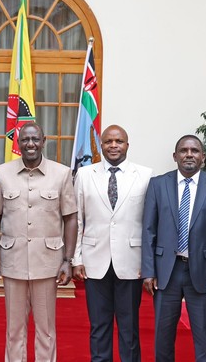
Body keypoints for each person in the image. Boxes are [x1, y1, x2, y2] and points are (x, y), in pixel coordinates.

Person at [0, 122, 78, 362]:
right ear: (18, 143)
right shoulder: (1, 173)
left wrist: (68, 260)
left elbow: (71, 218)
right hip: (13, 261)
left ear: (44, 141)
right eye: (25, 139)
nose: (30, 144)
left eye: (35, 139)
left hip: (47, 262)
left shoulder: (62, 174)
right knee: (14, 330)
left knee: (46, 330)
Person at [141, 135, 206, 361]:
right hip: (165, 273)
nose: (189, 154)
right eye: (183, 150)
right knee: (163, 336)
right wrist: (149, 270)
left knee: (204, 338)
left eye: (194, 150)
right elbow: (149, 230)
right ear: (175, 156)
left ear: (203, 157)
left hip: (203, 273)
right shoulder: (158, 185)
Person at [72, 125, 152, 362]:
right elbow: (77, 219)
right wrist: (76, 258)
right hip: (94, 261)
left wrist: (148, 263)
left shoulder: (145, 175)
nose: (113, 145)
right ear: (101, 145)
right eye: (108, 141)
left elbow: (151, 224)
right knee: (99, 326)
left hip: (132, 262)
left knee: (129, 328)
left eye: (118, 141)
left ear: (127, 145)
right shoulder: (85, 175)